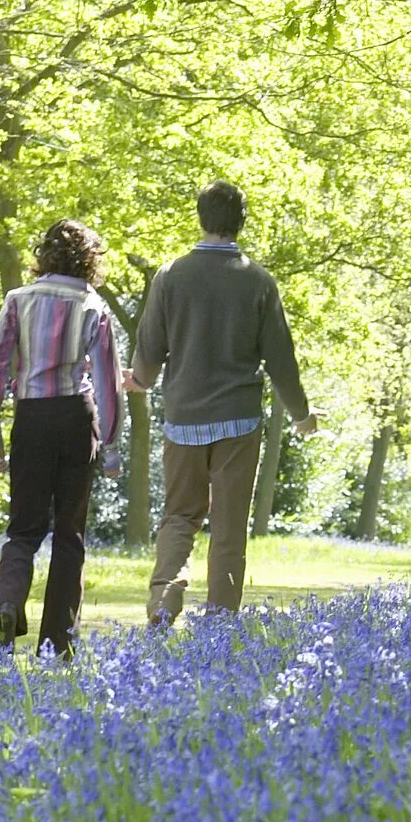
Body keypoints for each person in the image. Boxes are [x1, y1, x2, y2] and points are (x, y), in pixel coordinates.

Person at [126, 181, 316, 626]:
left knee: (179, 516)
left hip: (184, 417)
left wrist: (140, 378)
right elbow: (281, 358)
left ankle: (163, 603)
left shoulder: (171, 274)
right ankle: (219, 622)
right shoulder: (257, 280)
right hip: (238, 421)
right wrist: (302, 416)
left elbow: (151, 345)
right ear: (240, 220)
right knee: (229, 526)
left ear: (200, 216)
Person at [0, 219, 121, 658]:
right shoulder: (93, 306)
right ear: (89, 261)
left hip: (32, 416)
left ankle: (7, 603)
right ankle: (59, 639)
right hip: (77, 418)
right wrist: (112, 444)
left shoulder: (18, 300)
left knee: (23, 527)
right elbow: (107, 379)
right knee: (69, 532)